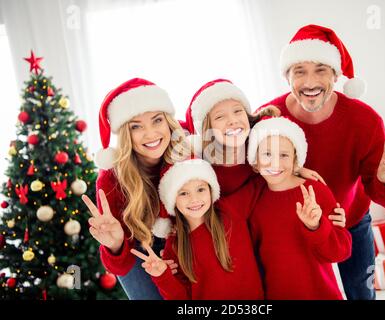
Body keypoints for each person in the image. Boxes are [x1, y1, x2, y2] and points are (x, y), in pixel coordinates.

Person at [257, 24, 385, 299]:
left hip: (351, 221)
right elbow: (254, 176)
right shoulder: (271, 117)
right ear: (287, 77)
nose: (309, 82)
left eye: (320, 69)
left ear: (336, 74)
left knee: (361, 293)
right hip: (295, 226)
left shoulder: (364, 121)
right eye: (299, 72)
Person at [81, 78, 190, 299]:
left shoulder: (187, 151)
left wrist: (172, 254)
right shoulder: (111, 178)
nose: (150, 134)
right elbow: (120, 266)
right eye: (136, 126)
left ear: (167, 121)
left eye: (157, 120)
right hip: (138, 247)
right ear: (124, 134)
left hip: (183, 238)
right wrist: (115, 244)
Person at [247, 116, 351, 299]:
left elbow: (341, 251)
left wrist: (316, 227)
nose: (275, 163)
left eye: (284, 155)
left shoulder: (315, 191)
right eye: (267, 154)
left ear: (296, 159)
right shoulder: (255, 202)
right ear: (255, 161)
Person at [131, 158, 266, 299]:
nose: (194, 199)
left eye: (200, 189)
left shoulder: (230, 210)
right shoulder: (174, 246)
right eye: (183, 193)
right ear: (173, 200)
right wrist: (162, 276)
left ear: (210, 190)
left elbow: (261, 182)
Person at [184, 78, 323, 195]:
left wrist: (296, 168)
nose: (233, 120)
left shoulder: (259, 142)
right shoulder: (202, 163)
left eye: (238, 111)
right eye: (220, 117)